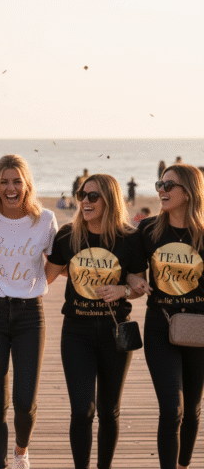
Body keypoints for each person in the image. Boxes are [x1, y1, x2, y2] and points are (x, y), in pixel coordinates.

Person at [45, 173, 147, 469]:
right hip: (77, 331)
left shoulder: (130, 238)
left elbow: (140, 285)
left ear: (110, 200)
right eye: (82, 195)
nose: (85, 201)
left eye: (93, 196)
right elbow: (46, 276)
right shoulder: (68, 234)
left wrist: (123, 290)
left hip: (118, 333)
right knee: (82, 410)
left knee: (109, 410)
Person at [0, 154, 58, 469]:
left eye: (17, 181)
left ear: (26, 185)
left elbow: (55, 263)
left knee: (25, 402)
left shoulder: (45, 219)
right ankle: (0, 465)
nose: (11, 188)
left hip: (30, 317)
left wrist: (33, 286)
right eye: (5, 181)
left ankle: (21, 451)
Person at [127, 163, 204, 469]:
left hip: (199, 328)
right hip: (161, 325)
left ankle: (183, 465)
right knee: (172, 408)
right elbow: (133, 272)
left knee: (193, 410)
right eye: (160, 184)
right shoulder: (148, 230)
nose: (161, 190)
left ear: (189, 192)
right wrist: (135, 282)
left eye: (169, 186)